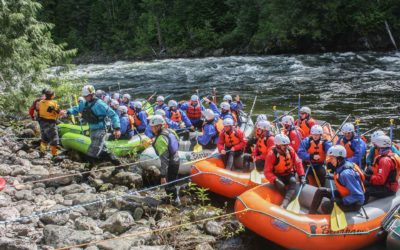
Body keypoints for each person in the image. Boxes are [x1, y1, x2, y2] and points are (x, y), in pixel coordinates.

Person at [64, 85, 121, 165]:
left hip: (100, 130)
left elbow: (114, 115)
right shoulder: (84, 103)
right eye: (84, 96)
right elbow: (77, 109)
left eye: (86, 96)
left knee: (92, 152)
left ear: (92, 94)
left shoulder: (100, 104)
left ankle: (88, 172)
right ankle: (118, 164)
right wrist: (67, 111)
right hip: (92, 129)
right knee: (103, 149)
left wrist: (117, 128)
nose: (85, 97)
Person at [309, 145, 365, 214]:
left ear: (339, 159)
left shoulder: (346, 174)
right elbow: (341, 179)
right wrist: (332, 177)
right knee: (321, 191)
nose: (330, 160)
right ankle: (311, 213)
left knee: (326, 206)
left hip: (354, 203)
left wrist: (341, 201)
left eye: (332, 158)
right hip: (345, 195)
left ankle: (327, 222)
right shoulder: (341, 166)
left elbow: (358, 196)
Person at [264, 134, 305, 208]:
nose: (286, 147)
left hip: (288, 173)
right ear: (278, 145)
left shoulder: (290, 150)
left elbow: (298, 162)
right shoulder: (271, 155)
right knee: (281, 185)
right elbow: (267, 171)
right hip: (277, 175)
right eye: (284, 145)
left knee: (293, 181)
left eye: (287, 145)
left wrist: (301, 176)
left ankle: (284, 203)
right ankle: (286, 200)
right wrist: (274, 179)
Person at [149, 115, 180, 203]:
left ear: (159, 126)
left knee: (168, 185)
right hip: (176, 158)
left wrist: (162, 176)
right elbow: (177, 142)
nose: (152, 128)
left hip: (171, 163)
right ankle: (173, 199)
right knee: (172, 182)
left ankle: (174, 202)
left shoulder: (160, 140)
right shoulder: (171, 131)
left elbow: (164, 160)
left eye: (153, 127)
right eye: (151, 127)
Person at [364, 135, 400, 202]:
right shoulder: (391, 154)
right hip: (388, 184)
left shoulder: (385, 160)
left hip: (388, 188)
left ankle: (360, 207)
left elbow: (380, 180)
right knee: (364, 182)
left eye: (376, 146)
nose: (375, 147)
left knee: (366, 190)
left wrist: (368, 177)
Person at [37, 89, 63, 157]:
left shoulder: (41, 102)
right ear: (52, 96)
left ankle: (42, 152)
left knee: (44, 138)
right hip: (50, 123)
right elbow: (59, 113)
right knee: (54, 139)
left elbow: (39, 110)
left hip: (42, 123)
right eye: (54, 94)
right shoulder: (53, 103)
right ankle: (54, 155)